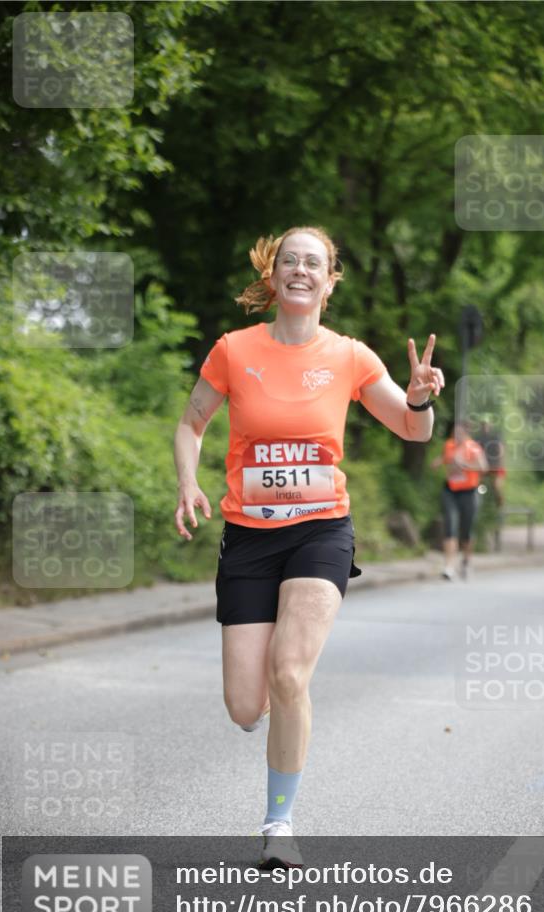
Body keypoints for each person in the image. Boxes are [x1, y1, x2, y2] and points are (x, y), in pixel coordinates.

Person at [173, 226, 444, 867]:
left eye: (312, 263)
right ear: (273, 279)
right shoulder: (234, 350)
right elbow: (191, 423)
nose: (300, 269)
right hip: (248, 536)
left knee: (290, 672)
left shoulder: (350, 356)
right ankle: (271, 702)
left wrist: (419, 400)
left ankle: (279, 825)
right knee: (246, 705)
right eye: (289, 260)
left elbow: (413, 430)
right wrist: (188, 480)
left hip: (321, 530)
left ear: (329, 282)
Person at [431, 420, 488, 580]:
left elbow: (483, 467)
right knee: (450, 525)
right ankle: (449, 566)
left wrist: (465, 464)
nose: (456, 435)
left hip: (469, 492)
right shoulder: (449, 445)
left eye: (459, 433)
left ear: (466, 433)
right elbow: (446, 458)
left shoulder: (473, 448)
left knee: (466, 530)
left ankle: (466, 561)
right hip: (450, 490)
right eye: (454, 432)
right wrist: (438, 462)